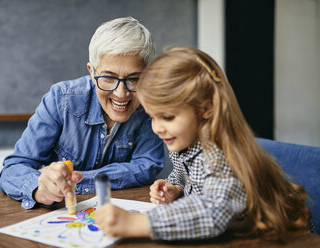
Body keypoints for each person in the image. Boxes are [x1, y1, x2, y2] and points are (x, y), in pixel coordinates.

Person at [95, 47, 313, 240]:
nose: (157, 128)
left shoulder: (219, 155)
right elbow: (185, 175)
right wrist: (176, 188)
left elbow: (214, 210)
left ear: (206, 109)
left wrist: (136, 223)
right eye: (153, 117)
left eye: (168, 117)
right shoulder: (185, 143)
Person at [0, 17, 164, 209]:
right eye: (108, 78)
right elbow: (12, 169)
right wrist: (38, 188)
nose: (121, 93)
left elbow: (148, 166)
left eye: (134, 79)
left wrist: (78, 180)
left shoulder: (150, 105)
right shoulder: (60, 99)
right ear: (92, 72)